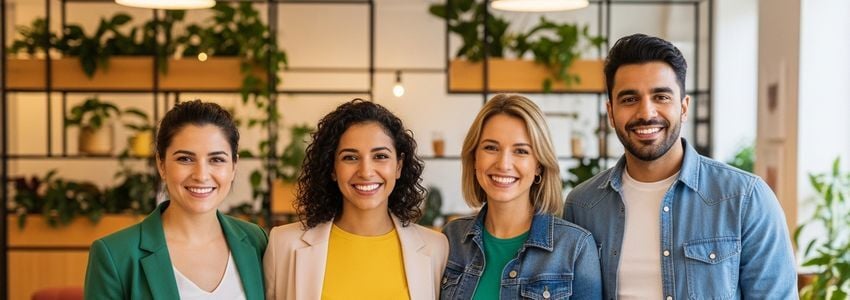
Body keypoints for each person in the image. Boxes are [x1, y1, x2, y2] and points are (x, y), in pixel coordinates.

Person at [564, 33, 798, 299]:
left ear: (684, 107)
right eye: (629, 99)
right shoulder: (581, 206)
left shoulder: (745, 199)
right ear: (611, 113)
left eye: (661, 97)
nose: (646, 113)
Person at [263, 99, 448, 300]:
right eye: (350, 157)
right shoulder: (283, 245)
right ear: (332, 168)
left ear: (398, 166)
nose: (366, 172)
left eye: (380, 156)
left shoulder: (436, 248)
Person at [84, 100, 268, 299]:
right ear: (161, 164)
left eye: (217, 159)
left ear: (233, 166)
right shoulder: (115, 254)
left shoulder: (256, 241)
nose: (201, 175)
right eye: (185, 159)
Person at [441, 94, 602, 299]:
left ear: (539, 166)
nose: (503, 164)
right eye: (491, 148)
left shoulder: (575, 247)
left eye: (521, 151)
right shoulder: (451, 239)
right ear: (474, 158)